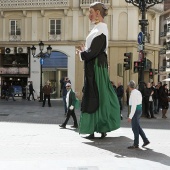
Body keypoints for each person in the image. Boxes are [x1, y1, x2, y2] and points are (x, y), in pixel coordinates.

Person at [76, 2, 120, 139]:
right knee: (97, 95)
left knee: (95, 95)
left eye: (91, 12)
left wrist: (82, 54)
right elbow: (93, 51)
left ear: (98, 13)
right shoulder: (97, 29)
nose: (89, 15)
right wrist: (85, 53)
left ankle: (98, 127)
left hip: (96, 67)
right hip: (95, 66)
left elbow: (93, 51)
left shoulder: (101, 30)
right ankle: (100, 127)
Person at [127, 80, 150, 149]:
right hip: (139, 109)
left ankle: (136, 144)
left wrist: (130, 116)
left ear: (129, 86)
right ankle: (145, 140)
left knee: (135, 128)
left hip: (135, 110)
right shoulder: (137, 92)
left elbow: (133, 106)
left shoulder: (133, 93)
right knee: (137, 126)